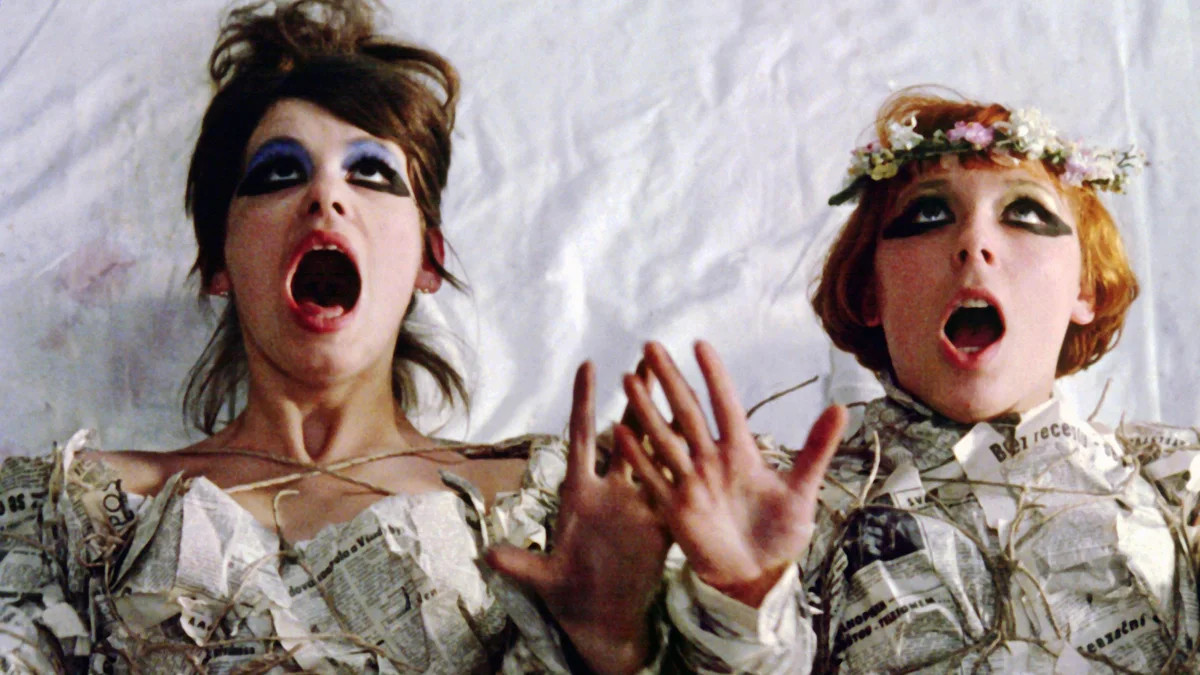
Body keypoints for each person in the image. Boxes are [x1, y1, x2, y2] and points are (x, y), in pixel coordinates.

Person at [0, 1, 766, 671]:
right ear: (219, 261)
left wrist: (621, 643)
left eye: (370, 174)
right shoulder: (83, 516)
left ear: (429, 259)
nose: (325, 196)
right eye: (278, 173)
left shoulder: (561, 509)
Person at [616, 89, 1200, 672]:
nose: (974, 243)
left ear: (1086, 288)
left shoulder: (1179, 485)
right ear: (870, 290)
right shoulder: (772, 509)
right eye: (928, 215)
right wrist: (740, 596)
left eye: (1024, 212)